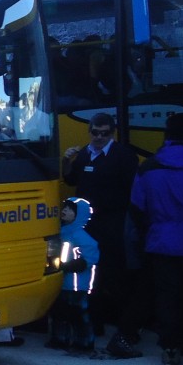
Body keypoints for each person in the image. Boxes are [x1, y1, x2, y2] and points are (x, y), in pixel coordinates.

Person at [128, 113, 183, 365]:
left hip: (160, 242)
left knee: (167, 297)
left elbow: (137, 207)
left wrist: (151, 230)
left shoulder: (149, 166)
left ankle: (170, 348)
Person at [61, 112, 139, 343]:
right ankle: (95, 323)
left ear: (112, 134)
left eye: (104, 133)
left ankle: (127, 328)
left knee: (115, 273)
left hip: (113, 222)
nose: (99, 137)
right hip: (88, 224)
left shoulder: (124, 155)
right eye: (95, 132)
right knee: (90, 273)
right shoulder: (84, 154)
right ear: (90, 131)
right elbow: (71, 180)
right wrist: (66, 162)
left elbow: (132, 189)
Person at [47, 197, 100, 354]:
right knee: (59, 312)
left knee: (78, 314)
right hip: (62, 281)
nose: (65, 211)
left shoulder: (81, 236)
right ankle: (59, 338)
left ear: (79, 215)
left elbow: (91, 256)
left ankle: (84, 342)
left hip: (77, 284)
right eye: (64, 207)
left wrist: (75, 264)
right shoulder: (61, 232)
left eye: (70, 209)